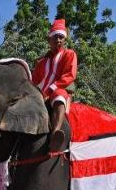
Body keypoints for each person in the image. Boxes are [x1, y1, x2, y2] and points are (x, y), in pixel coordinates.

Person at [32, 19, 77, 152]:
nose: (58, 40)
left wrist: (51, 89)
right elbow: (34, 81)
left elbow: (69, 75)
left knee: (59, 95)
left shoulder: (69, 54)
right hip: (41, 94)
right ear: (49, 39)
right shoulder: (41, 62)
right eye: (56, 37)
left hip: (58, 91)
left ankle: (55, 134)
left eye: (61, 37)